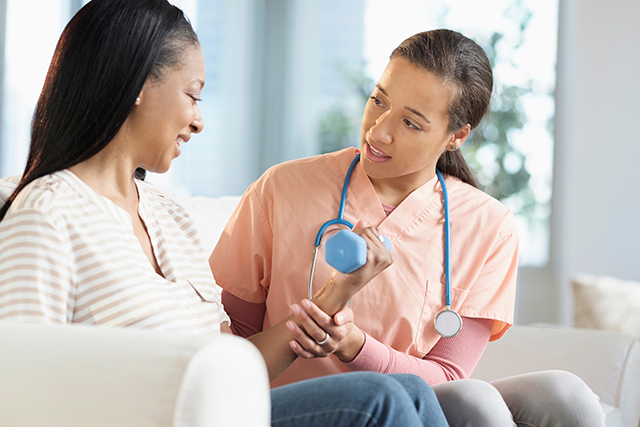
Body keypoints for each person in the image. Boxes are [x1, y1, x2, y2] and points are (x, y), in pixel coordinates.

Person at [0, 1, 450, 426]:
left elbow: (237, 367)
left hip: (220, 411)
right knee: (378, 400)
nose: (199, 120)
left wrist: (338, 292)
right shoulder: (46, 212)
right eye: (192, 96)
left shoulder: (166, 215)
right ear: (136, 86)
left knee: (409, 389)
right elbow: (19, 386)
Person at [210, 29, 606, 426]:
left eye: (411, 124)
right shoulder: (282, 189)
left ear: (457, 137)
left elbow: (449, 377)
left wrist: (355, 346)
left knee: (565, 396)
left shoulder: (489, 226)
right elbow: (234, 347)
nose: (378, 131)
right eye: (377, 100)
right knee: (477, 405)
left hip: (416, 407)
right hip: (309, 409)